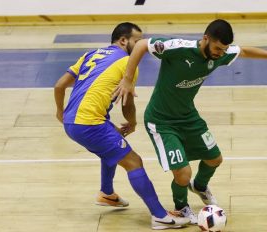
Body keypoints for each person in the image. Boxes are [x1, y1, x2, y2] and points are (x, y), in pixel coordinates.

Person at [113, 19, 267, 224]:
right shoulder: (179, 48)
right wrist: (127, 78)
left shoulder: (220, 55)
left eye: (224, 50)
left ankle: (200, 186)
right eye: (217, 48)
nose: (220, 53)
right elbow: (142, 45)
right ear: (206, 38)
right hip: (161, 122)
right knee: (183, 174)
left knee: (215, 159)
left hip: (188, 117)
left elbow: (245, 52)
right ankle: (182, 207)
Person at [54, 22, 190, 230]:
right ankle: (160, 216)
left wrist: (60, 112)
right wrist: (133, 123)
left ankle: (107, 194)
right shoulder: (128, 63)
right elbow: (128, 103)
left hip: (74, 121)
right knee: (134, 162)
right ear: (123, 40)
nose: (140, 47)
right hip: (89, 123)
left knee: (112, 145)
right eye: (137, 41)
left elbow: (59, 85)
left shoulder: (91, 54)